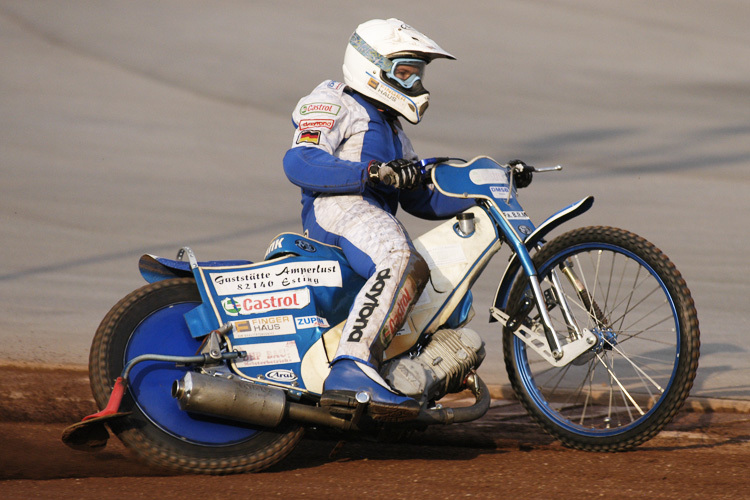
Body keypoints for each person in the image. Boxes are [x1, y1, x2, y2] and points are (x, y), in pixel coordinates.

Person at [282, 18, 476, 421]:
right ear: (372, 67)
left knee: (436, 286)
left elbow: (421, 199)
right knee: (398, 256)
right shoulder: (335, 101)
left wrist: (480, 190)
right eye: (404, 72)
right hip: (339, 207)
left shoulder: (393, 130)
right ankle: (352, 367)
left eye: (418, 74)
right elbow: (300, 159)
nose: (415, 83)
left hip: (369, 217)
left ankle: (398, 377)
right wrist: (368, 174)